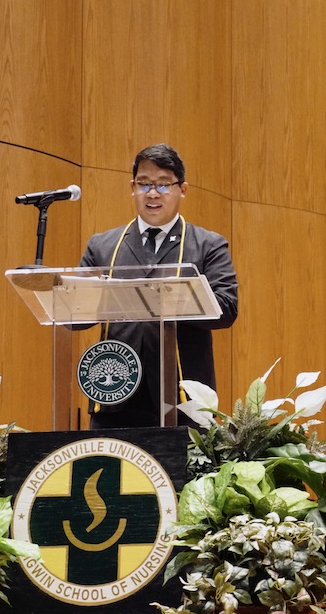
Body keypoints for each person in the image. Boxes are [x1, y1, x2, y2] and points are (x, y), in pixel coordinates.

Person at [78, 144, 239, 429]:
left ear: (183, 189)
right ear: (132, 187)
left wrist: (172, 298)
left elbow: (226, 308)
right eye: (144, 184)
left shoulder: (207, 245)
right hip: (115, 391)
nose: (152, 194)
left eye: (163, 185)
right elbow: (74, 315)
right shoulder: (103, 246)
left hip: (184, 397)